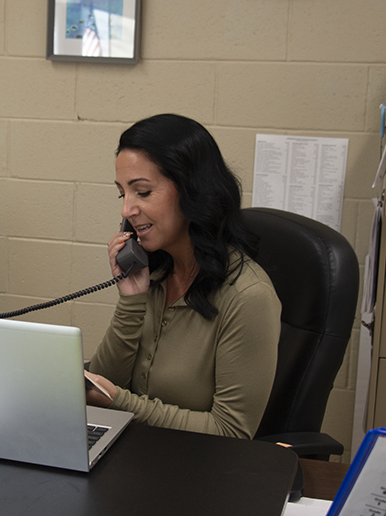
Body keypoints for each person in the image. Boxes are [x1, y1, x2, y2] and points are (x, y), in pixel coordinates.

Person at [84, 114, 281, 439]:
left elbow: (231, 432)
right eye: (123, 194)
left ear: (192, 192)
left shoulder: (248, 297)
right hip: (136, 460)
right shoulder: (154, 273)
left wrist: (122, 403)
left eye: (143, 193)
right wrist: (131, 302)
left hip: (199, 474)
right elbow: (102, 384)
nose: (126, 211)